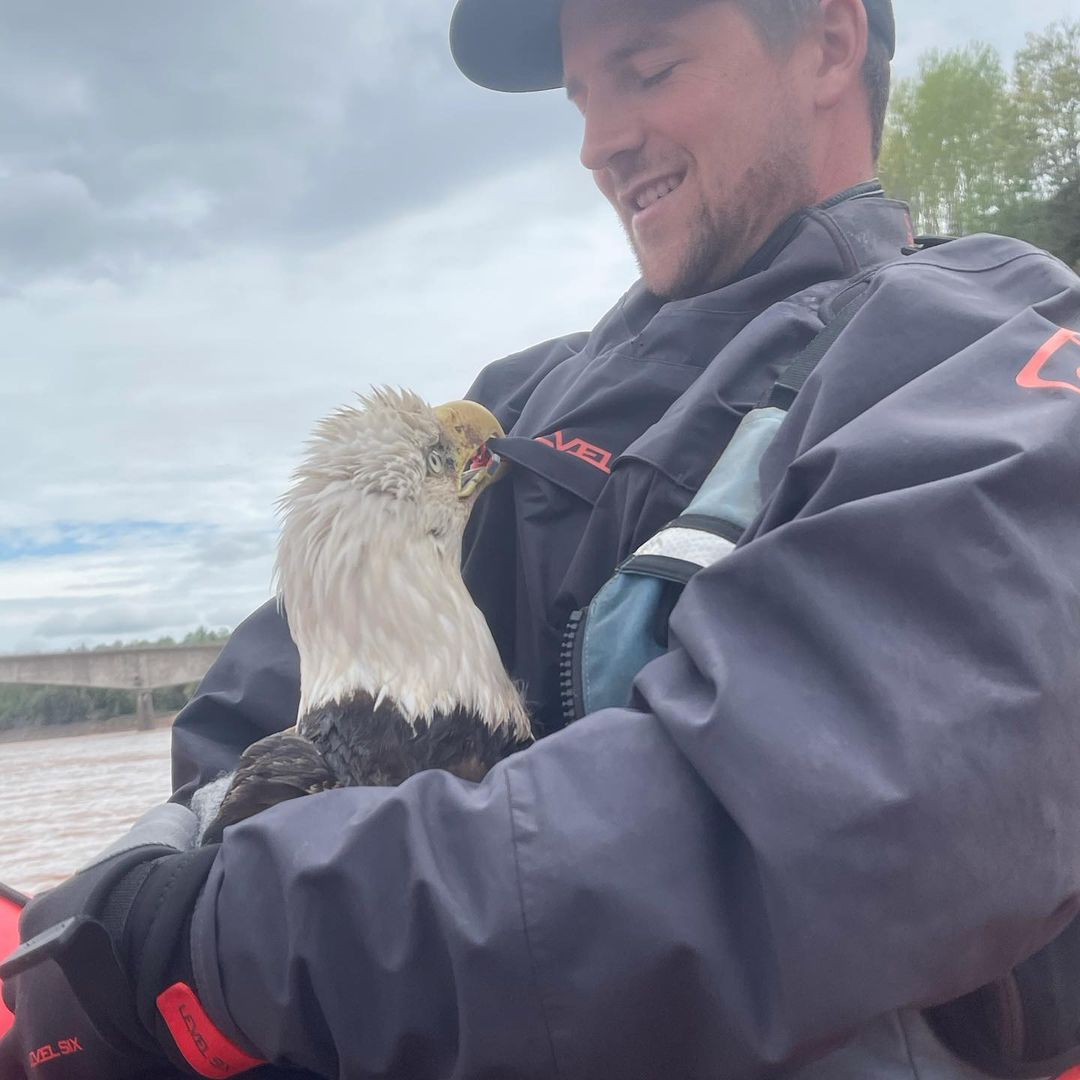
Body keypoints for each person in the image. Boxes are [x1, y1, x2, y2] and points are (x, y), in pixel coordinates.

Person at [4, 0, 1080, 1077]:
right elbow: (246, 723)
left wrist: (231, 940)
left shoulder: (993, 352)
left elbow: (831, 817)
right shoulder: (518, 401)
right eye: (582, 100)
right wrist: (145, 901)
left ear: (831, 45)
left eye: (647, 72)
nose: (598, 144)